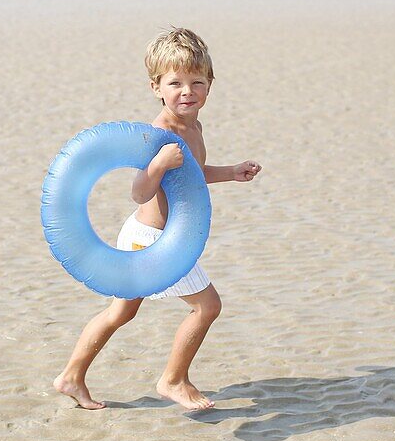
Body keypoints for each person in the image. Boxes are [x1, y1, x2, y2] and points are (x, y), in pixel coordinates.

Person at [53, 27, 261, 411]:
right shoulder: (158, 134)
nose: (187, 91)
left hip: (150, 236)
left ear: (210, 85)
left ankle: (71, 377)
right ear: (156, 87)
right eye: (176, 83)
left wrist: (230, 171)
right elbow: (139, 192)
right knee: (207, 307)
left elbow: (191, 177)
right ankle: (173, 380)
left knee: (121, 312)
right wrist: (158, 163)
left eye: (197, 82)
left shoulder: (194, 126)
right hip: (153, 241)